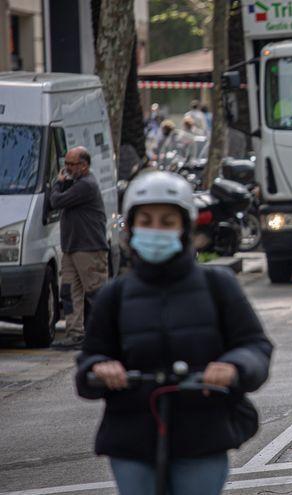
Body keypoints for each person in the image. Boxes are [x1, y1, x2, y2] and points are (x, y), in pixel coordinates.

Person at [74, 171, 273, 494]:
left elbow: (255, 347)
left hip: (202, 435)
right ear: (131, 226)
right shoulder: (115, 295)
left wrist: (234, 366)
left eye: (167, 221)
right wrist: (99, 367)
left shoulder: (217, 285)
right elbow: (89, 361)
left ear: (185, 228)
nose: (156, 229)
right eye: (146, 220)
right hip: (131, 438)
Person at [50, 147, 109, 348]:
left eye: (70, 164)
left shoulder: (87, 185)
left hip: (89, 248)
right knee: (69, 292)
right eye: (65, 163)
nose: (66, 168)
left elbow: (57, 201)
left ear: (84, 165)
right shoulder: (76, 183)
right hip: (71, 248)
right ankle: (76, 334)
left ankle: (106, 334)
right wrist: (65, 181)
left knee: (96, 292)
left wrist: (58, 183)